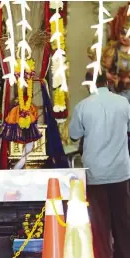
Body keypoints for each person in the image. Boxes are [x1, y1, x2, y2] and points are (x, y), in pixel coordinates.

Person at [69, 71, 130, 258]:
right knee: (122, 220)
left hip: (95, 173)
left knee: (100, 223)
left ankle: (103, 255)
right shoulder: (123, 103)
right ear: (107, 82)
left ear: (88, 84)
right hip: (120, 171)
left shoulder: (83, 107)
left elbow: (73, 135)